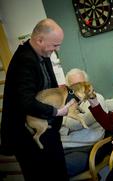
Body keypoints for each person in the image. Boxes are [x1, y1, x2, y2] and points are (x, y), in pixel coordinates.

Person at [1, 18, 72, 181]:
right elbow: (25, 102)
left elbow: (50, 88)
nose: (57, 49)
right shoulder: (23, 60)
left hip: (48, 132)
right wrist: (57, 111)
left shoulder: (43, 54)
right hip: (27, 136)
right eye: (55, 45)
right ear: (39, 40)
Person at [60, 68, 109, 177]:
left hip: (86, 149)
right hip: (62, 147)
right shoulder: (64, 101)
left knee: (56, 169)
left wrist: (62, 117)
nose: (79, 88)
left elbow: (76, 124)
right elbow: (54, 125)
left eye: (81, 83)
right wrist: (68, 116)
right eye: (74, 85)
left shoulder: (96, 99)